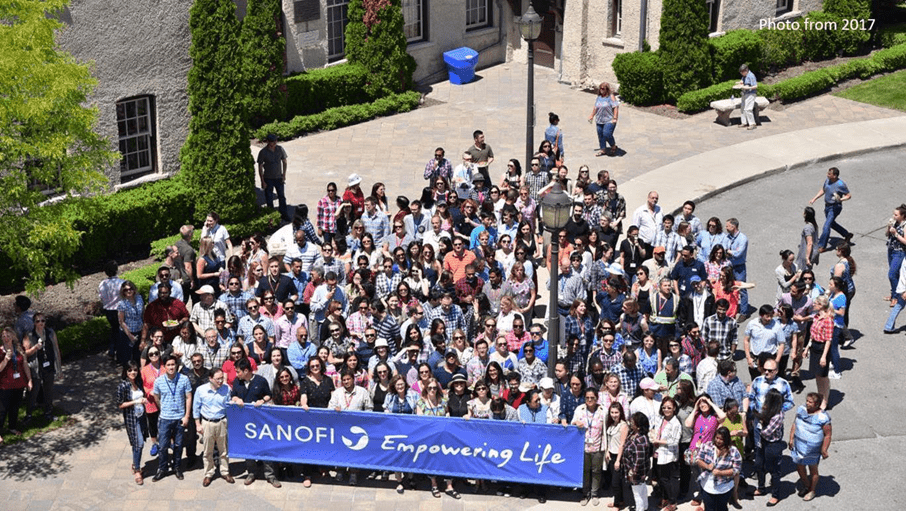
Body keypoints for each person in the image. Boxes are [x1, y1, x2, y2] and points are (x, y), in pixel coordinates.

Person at [231, 357, 278, 487]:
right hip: (245, 421)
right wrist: (236, 399)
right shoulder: (237, 382)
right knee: (248, 448)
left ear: (246, 371)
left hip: (260, 421)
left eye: (238, 371)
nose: (236, 374)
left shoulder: (260, 381)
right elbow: (233, 395)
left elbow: (268, 395)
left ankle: (270, 475)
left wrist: (262, 401)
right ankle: (251, 472)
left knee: (265, 447)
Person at [151, 355, 193, 482]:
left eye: (173, 364)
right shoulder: (158, 381)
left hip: (179, 418)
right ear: (164, 367)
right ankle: (162, 468)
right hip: (165, 418)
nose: (171, 367)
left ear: (176, 365)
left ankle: (177, 467)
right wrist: (163, 408)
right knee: (163, 446)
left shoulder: (184, 379)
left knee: (178, 445)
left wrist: (186, 416)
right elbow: (156, 397)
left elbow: (188, 397)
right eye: (168, 365)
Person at [193, 367, 234, 486]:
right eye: (217, 379)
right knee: (207, 451)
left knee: (224, 450)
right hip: (207, 423)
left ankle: (225, 471)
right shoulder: (201, 390)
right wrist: (197, 424)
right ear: (210, 378)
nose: (220, 381)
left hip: (222, 421)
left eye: (221, 378)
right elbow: (196, 408)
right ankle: (209, 473)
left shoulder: (226, 389)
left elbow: (229, 406)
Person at [790, 393, 832, 502]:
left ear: (817, 404)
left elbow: (827, 435)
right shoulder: (801, 409)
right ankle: (806, 485)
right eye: (807, 401)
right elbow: (795, 424)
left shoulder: (823, 417)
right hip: (799, 446)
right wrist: (791, 439)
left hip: (812, 449)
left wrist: (824, 449)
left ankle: (812, 490)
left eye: (810, 402)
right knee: (800, 467)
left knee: (813, 470)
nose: (807, 403)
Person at [23, 312, 61, 422]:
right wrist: (35, 348)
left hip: (48, 366)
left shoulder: (50, 332)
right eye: (38, 321)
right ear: (34, 323)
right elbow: (25, 353)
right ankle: (29, 414)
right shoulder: (30, 335)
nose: (41, 323)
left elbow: (56, 349)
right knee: (34, 392)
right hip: (36, 368)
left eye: (43, 321)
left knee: (48, 390)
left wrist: (59, 368)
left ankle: (48, 413)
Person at [694, 426, 742, 511]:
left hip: (724, 487)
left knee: (722, 508)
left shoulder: (733, 450)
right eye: (717, 438)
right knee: (709, 508)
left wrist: (720, 473)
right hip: (707, 486)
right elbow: (698, 459)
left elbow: (736, 469)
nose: (718, 441)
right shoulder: (707, 445)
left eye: (721, 439)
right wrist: (707, 466)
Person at [572, 387, 606, 506]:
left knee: (596, 471)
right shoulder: (579, 409)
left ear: (597, 398)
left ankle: (595, 493)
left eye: (592, 398)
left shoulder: (603, 411)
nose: (590, 400)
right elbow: (572, 423)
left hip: (598, 446)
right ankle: (585, 494)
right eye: (587, 398)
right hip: (583, 447)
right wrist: (576, 423)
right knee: (585, 471)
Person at [117, 361, 149, 485]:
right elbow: (120, 404)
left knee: (137, 443)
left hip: (141, 417)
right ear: (125, 372)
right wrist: (136, 402)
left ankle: (135, 464)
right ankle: (137, 470)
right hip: (132, 418)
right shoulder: (123, 386)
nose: (133, 372)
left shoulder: (138, 382)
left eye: (135, 370)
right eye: (130, 370)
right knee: (139, 444)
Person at [753, 389, 785, 506]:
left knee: (774, 470)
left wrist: (759, 425)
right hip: (763, 443)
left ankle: (775, 495)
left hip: (772, 444)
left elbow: (766, 432)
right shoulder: (767, 409)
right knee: (759, 465)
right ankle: (761, 488)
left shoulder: (778, 415)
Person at [809, 166, 852, 252]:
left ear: (835, 175)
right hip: (827, 206)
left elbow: (848, 195)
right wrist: (814, 198)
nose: (827, 175)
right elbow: (823, 189)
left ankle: (822, 246)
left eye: (829, 174)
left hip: (835, 207)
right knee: (831, 223)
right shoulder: (828, 180)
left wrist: (841, 199)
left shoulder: (841, 184)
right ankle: (846, 234)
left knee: (826, 226)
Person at [652, 397, 683, 511]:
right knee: (660, 479)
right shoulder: (661, 418)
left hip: (668, 455)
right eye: (664, 407)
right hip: (658, 452)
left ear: (674, 408)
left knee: (666, 479)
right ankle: (664, 498)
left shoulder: (676, 423)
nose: (666, 410)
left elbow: (674, 441)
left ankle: (672, 502)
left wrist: (659, 441)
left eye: (669, 408)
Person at [622, 412, 653, 511]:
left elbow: (639, 459)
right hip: (636, 470)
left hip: (637, 472)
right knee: (642, 489)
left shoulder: (640, 440)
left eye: (632, 422)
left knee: (637, 494)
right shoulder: (634, 434)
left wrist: (633, 472)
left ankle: (640, 509)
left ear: (638, 426)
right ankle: (645, 507)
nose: (630, 423)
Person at [257, 134, 289, 219]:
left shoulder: (280, 149)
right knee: (269, 198)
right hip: (268, 179)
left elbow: (284, 161)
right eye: (272, 141)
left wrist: (284, 175)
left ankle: (284, 214)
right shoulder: (263, 152)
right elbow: (260, 167)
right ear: (268, 142)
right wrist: (262, 181)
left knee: (282, 197)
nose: (275, 142)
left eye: (276, 140)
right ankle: (271, 216)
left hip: (279, 177)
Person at [99, 261, 126, 362]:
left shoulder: (102, 284)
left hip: (108, 310)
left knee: (114, 330)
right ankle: (119, 354)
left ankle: (112, 351)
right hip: (119, 310)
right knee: (120, 331)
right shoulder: (121, 283)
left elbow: (101, 297)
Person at [723, 218, 750, 318]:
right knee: (728, 287)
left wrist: (728, 252)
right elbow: (724, 248)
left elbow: (738, 253)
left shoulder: (742, 238)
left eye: (727, 226)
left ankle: (743, 312)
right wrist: (728, 252)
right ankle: (730, 309)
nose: (726, 228)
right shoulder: (727, 237)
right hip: (729, 266)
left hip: (739, 267)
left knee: (741, 288)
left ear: (733, 226)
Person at [116, 280, 144, 365]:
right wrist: (130, 335)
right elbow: (121, 321)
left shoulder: (139, 298)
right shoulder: (122, 303)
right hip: (127, 333)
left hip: (139, 330)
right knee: (127, 357)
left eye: (130, 289)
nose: (129, 291)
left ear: (134, 289)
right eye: (126, 290)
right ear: (123, 291)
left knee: (138, 354)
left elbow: (143, 313)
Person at [590, 82, 620, 156]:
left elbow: (615, 107)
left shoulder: (611, 97)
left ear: (607, 89)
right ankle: (603, 149)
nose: (601, 90)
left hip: (609, 120)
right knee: (601, 135)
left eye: (603, 88)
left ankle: (613, 145)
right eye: (600, 88)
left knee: (607, 133)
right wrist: (592, 115)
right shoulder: (599, 97)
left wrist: (615, 118)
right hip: (599, 120)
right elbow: (595, 107)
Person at [797, 207, 820, 271]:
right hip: (814, 252)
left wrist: (807, 258)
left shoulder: (808, 228)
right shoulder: (814, 225)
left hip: (807, 253)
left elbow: (809, 243)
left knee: (803, 271)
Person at [737, 63, 758, 130]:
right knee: (743, 108)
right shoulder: (744, 76)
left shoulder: (751, 76)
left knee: (748, 109)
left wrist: (748, 88)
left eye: (742, 72)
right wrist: (740, 83)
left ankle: (752, 124)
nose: (742, 74)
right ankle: (744, 122)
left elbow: (755, 86)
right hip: (744, 94)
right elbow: (742, 80)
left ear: (746, 70)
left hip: (750, 94)